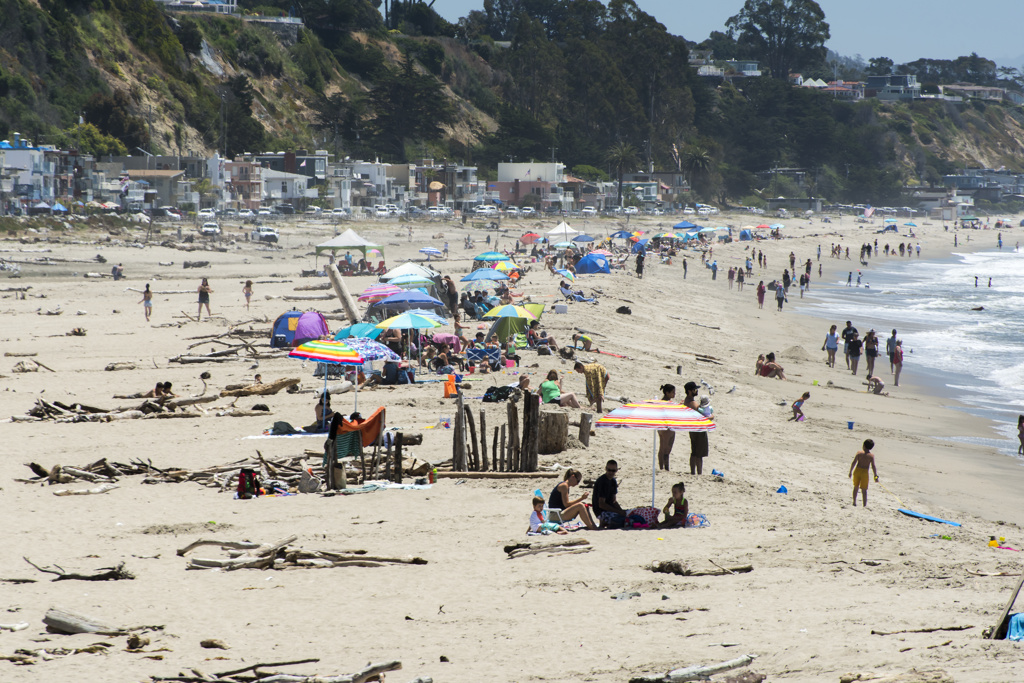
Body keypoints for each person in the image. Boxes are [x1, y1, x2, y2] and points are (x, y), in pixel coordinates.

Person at [683, 382, 709, 474]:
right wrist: (711, 417)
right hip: (698, 429)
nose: (696, 391)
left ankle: (693, 472)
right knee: (699, 454)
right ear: (690, 391)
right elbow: (703, 416)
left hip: (692, 428)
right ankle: (699, 472)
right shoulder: (693, 403)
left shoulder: (685, 401)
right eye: (694, 389)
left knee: (694, 451)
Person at [593, 460, 627, 527]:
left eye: (613, 470)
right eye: (609, 470)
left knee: (628, 518)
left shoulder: (613, 481)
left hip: (610, 510)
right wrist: (619, 512)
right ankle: (604, 522)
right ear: (606, 469)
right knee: (622, 522)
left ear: (616, 470)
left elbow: (613, 501)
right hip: (601, 512)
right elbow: (601, 504)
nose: (611, 472)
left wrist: (622, 511)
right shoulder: (602, 481)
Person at [849, 439, 879, 507]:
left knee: (855, 487)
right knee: (864, 490)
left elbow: (854, 462)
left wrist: (850, 471)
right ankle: (864, 505)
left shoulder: (859, 453)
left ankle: (854, 502)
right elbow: (873, 466)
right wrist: (875, 476)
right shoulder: (871, 456)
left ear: (864, 446)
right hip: (865, 473)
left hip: (857, 470)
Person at [657, 383, 677, 471]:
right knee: (664, 449)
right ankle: (663, 468)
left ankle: (664, 467)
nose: (674, 394)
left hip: (667, 427)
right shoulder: (664, 403)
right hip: (666, 427)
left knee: (666, 449)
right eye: (673, 392)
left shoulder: (667, 402)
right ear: (667, 393)